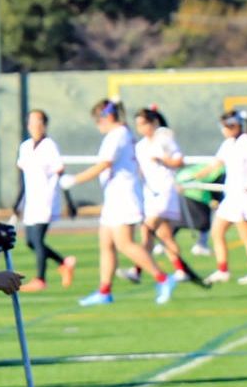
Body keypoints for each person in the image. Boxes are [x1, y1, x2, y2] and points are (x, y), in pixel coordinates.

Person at [61, 99, 177, 306]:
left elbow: (105, 164)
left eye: (98, 120)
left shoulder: (117, 135)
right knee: (106, 242)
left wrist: (74, 180)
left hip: (123, 197)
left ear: (107, 117)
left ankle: (163, 278)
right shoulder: (121, 134)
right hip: (114, 197)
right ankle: (104, 291)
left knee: (124, 243)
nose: (98, 125)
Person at [194, 110, 247, 285]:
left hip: (243, 197)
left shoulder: (245, 141)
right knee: (217, 232)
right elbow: (216, 163)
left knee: (246, 236)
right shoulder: (228, 144)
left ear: (234, 126)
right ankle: (223, 270)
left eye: (225, 126)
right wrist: (196, 176)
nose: (223, 130)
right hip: (231, 197)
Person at [129, 105, 198, 286]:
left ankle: (137, 270)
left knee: (147, 228)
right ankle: (181, 270)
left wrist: (163, 160)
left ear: (153, 123)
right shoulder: (140, 146)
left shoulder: (164, 140)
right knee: (165, 235)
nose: (141, 128)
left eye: (144, 123)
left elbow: (179, 161)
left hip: (165, 190)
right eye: (138, 125)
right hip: (150, 193)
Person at [15, 109, 75, 291]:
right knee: (30, 242)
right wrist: (17, 202)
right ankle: (64, 262)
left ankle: (40, 279)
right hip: (31, 201)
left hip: (47, 199)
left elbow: (60, 173)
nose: (35, 126)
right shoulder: (25, 147)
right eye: (31, 122)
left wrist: (69, 202)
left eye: (38, 122)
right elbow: (24, 178)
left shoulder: (50, 146)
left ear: (45, 125)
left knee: (38, 239)